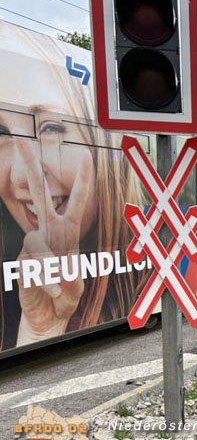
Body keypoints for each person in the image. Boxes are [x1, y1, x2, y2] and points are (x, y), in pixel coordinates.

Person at [0, 22, 149, 351]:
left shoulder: (150, 284)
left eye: (51, 128)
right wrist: (40, 332)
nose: (20, 178)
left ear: (102, 141)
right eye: (1, 134)